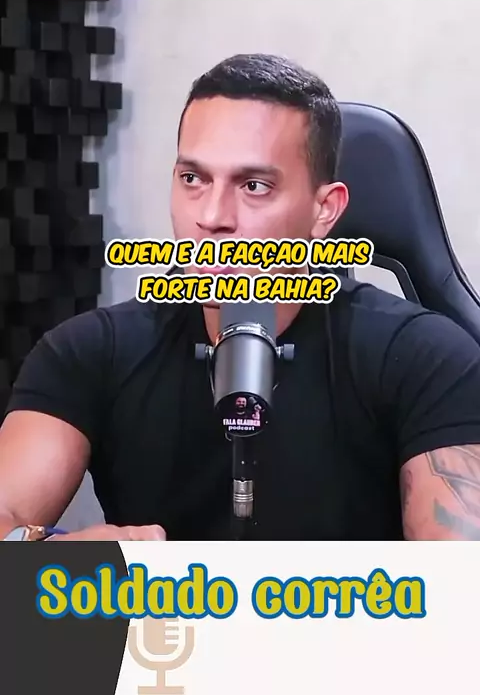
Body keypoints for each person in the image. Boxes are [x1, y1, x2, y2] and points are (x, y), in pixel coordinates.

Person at [1, 52, 480, 542]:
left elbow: (459, 578)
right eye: (193, 179)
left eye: (254, 186)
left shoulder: (428, 358)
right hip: (153, 600)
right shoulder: (87, 352)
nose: (211, 217)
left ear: (325, 210)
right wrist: (51, 557)